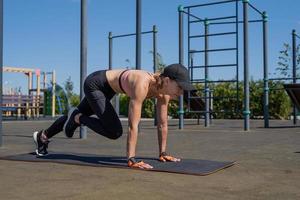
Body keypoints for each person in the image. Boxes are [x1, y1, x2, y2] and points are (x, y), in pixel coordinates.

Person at [33, 63, 195, 169]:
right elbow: (133, 126)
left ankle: (43, 136)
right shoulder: (142, 84)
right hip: (96, 84)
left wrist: (163, 153)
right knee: (114, 131)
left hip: (108, 89)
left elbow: (162, 124)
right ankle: (77, 118)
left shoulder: (163, 93)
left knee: (80, 112)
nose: (181, 92)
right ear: (167, 81)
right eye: (180, 87)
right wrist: (131, 159)